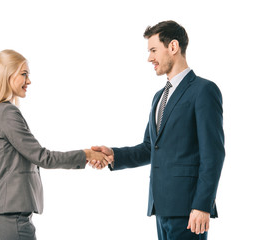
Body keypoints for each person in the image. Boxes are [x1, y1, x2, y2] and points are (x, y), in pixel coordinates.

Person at [91, 20, 225, 240]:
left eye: (153, 50)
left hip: (189, 209)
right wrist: (114, 155)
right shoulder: (158, 97)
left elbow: (214, 153)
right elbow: (149, 148)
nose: (149, 58)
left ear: (173, 47)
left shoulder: (204, 91)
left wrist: (203, 205)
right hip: (160, 206)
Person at [0, 49, 109, 240]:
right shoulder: (7, 113)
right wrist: (87, 154)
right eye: (24, 74)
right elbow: (43, 158)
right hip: (11, 215)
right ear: (7, 75)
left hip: (9, 213)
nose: (29, 81)